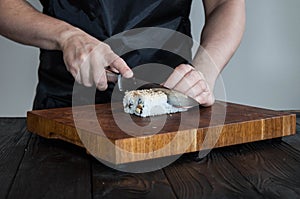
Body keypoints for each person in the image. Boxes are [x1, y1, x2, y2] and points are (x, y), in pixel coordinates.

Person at [0, 0, 245, 110]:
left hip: (169, 100)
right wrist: (67, 36)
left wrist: (203, 72)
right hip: (64, 102)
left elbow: (225, 3)